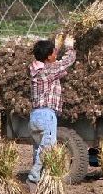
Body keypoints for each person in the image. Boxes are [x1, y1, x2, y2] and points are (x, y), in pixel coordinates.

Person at [27, 35, 76, 184]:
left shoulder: (37, 69)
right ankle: (33, 178)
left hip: (34, 117)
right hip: (46, 116)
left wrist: (56, 47)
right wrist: (69, 46)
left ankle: (42, 182)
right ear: (48, 57)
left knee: (38, 151)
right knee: (47, 150)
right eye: (54, 52)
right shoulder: (49, 70)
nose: (56, 54)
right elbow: (68, 61)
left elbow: (57, 68)